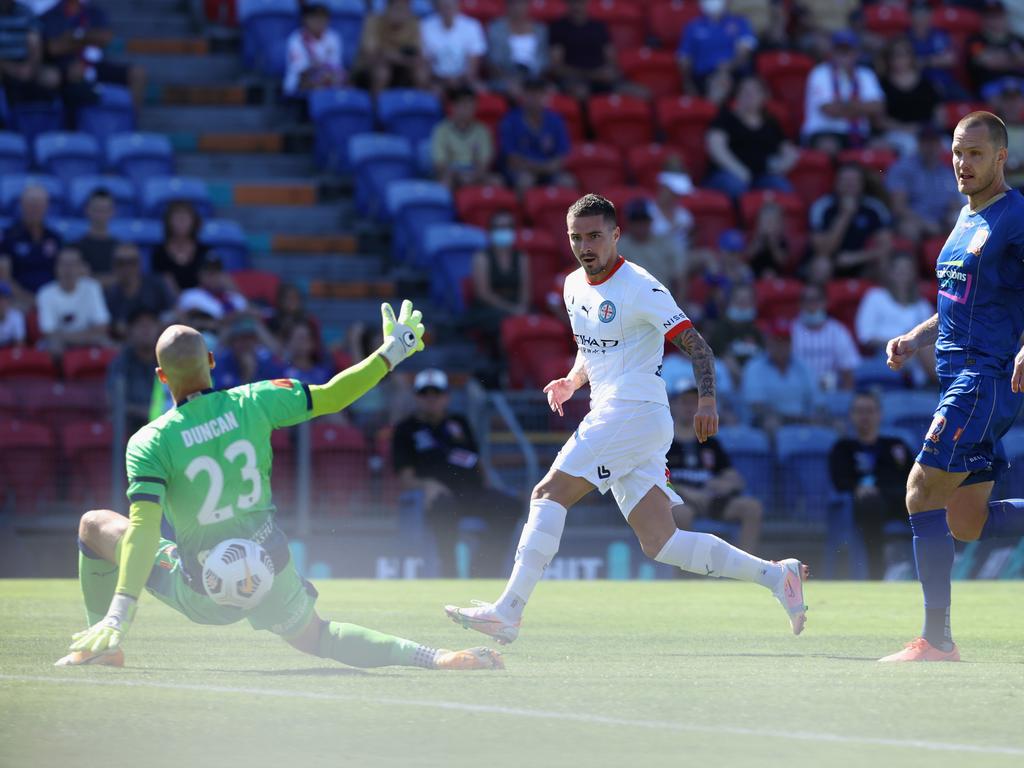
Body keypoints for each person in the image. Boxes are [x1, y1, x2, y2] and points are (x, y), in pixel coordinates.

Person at [55, 300, 503, 671]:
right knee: (321, 636)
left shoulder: (149, 442)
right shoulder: (257, 398)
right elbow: (333, 395)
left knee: (94, 525)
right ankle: (436, 657)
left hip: (203, 590)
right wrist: (390, 353)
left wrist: (120, 611)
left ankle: (105, 643)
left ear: (162, 376)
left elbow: (143, 530)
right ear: (212, 362)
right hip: (270, 569)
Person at [444, 194, 807, 645]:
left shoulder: (642, 287)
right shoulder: (572, 284)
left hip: (633, 410)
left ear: (616, 234)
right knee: (662, 542)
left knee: (549, 492)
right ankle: (779, 577)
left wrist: (707, 402)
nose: (585, 246)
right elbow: (592, 347)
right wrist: (572, 382)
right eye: (576, 237)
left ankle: (509, 611)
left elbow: (699, 347)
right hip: (620, 413)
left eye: (594, 235)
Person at [880, 111, 1024, 662]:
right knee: (967, 522)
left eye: (975, 154)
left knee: (920, 490)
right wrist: (915, 338)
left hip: (983, 379)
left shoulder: (1014, 216)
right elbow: (957, 303)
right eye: (958, 153)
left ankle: (936, 641)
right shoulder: (967, 218)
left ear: (1000, 158)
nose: (962, 164)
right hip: (958, 379)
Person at [392, 368, 520, 578]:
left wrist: (488, 485)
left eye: (437, 394)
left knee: (510, 506)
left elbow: (477, 461)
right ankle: (448, 571)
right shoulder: (405, 430)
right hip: (441, 496)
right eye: (425, 394)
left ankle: (485, 571)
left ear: (446, 397)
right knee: (443, 509)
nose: (431, 399)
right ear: (417, 397)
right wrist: (427, 485)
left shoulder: (459, 423)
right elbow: (405, 477)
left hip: (473, 493)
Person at [667, 373, 763, 553]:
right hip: (680, 501)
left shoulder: (711, 442)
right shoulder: (664, 441)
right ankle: (686, 573)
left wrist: (724, 485)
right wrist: (683, 491)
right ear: (673, 405)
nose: (689, 407)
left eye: (694, 402)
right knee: (682, 514)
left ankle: (743, 568)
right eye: (684, 402)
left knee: (752, 508)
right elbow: (654, 481)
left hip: (711, 500)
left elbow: (734, 478)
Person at [829, 392, 913, 580]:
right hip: (867, 505)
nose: (865, 416)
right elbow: (839, 480)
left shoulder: (895, 445)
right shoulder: (843, 448)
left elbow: (914, 475)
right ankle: (877, 571)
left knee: (930, 505)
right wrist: (857, 488)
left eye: (869, 411)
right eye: (859, 411)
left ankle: (943, 566)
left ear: (879, 415)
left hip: (900, 501)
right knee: (870, 503)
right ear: (851, 416)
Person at [705, 75, 797, 200]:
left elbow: (789, 151)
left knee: (784, 189)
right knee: (736, 187)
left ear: (763, 96)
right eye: (745, 91)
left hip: (762, 176)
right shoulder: (726, 118)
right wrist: (739, 171)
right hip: (729, 173)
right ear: (737, 95)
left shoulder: (770, 123)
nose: (750, 95)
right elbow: (716, 147)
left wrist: (779, 167)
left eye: (755, 91)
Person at [41, 0, 145, 110]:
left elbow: (105, 38)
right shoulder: (52, 14)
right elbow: (54, 48)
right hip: (65, 65)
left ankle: (131, 122)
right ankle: (73, 124)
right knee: (74, 73)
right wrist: (89, 39)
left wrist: (74, 37)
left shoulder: (93, 11)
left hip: (96, 65)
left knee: (137, 73)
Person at [466, 208, 529, 369]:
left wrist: (521, 307)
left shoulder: (521, 257)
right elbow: (483, 293)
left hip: (516, 306)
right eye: (500, 227)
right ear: (491, 231)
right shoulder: (482, 257)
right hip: (489, 309)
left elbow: (526, 290)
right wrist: (512, 309)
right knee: (501, 323)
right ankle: (501, 369)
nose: (504, 231)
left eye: (508, 227)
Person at [808, 162, 893, 281]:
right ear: (836, 183)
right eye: (844, 180)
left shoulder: (874, 208)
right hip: (832, 261)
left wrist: (855, 258)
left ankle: (883, 299)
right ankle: (818, 298)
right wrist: (845, 215)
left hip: (862, 262)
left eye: (853, 180)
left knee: (885, 264)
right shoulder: (822, 207)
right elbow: (822, 250)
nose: (849, 184)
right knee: (821, 265)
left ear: (862, 184)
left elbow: (886, 247)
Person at [801, 31, 884, 153]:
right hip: (824, 131)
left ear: (857, 53)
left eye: (848, 50)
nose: (844, 55)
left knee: (884, 148)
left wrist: (844, 105)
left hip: (859, 134)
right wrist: (862, 107)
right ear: (832, 52)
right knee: (829, 146)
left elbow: (878, 107)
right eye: (840, 50)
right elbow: (830, 110)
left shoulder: (866, 74)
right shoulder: (820, 73)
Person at [886, 126, 965, 242]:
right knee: (909, 228)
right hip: (914, 220)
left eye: (934, 142)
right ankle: (908, 260)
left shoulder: (946, 171)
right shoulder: (903, 168)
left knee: (963, 224)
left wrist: (951, 217)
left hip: (941, 221)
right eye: (926, 142)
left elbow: (954, 203)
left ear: (939, 144)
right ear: (919, 144)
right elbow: (898, 207)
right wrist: (924, 223)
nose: (930, 147)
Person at [741, 320, 820, 433]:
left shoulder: (803, 368)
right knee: (771, 423)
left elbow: (815, 400)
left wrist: (811, 416)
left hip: (802, 420)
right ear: (768, 342)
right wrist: (788, 418)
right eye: (777, 340)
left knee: (828, 425)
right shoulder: (754, 367)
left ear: (791, 343)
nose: (781, 345)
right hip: (767, 422)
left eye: (785, 341)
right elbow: (756, 406)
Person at [498, 75, 572, 193]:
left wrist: (550, 167)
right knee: (525, 181)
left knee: (567, 181)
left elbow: (562, 156)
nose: (535, 98)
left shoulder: (555, 120)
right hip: (522, 171)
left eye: (539, 93)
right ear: (524, 95)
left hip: (549, 171)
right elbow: (511, 159)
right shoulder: (510, 120)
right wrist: (541, 167)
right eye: (531, 93)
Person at [677, 0, 757, 101]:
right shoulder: (692, 26)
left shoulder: (740, 22)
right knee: (719, 85)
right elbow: (684, 58)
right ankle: (715, 112)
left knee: (750, 86)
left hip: (735, 72)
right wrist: (687, 83)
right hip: (704, 76)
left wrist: (728, 66)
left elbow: (745, 52)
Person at [36, 246, 111, 354]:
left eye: (73, 264)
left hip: (86, 341)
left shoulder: (92, 287)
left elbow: (102, 327)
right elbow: (49, 332)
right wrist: (87, 336)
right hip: (63, 344)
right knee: (53, 346)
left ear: (81, 267)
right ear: (56, 268)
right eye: (64, 264)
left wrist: (67, 337)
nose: (68, 269)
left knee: (108, 344)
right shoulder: (45, 293)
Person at [878, 38, 942, 158]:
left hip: (925, 132)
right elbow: (879, 120)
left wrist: (926, 129)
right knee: (910, 145)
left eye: (903, 55)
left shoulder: (926, 83)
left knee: (947, 144)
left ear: (911, 57)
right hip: (895, 132)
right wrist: (904, 128)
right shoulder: (882, 84)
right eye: (894, 56)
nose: (899, 60)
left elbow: (939, 115)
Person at [790, 283, 860, 392]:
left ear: (825, 302)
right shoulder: (790, 331)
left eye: (815, 300)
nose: (811, 305)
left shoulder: (838, 331)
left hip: (831, 395)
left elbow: (848, 373)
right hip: (797, 394)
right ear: (800, 304)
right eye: (806, 300)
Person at [0, 184, 62, 305]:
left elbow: (62, 272)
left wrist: (49, 299)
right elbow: (3, 275)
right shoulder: (8, 237)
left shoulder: (55, 238)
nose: (34, 209)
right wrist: (27, 299)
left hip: (51, 299)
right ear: (21, 206)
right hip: (16, 299)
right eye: (30, 205)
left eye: (39, 205)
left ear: (47, 207)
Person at [429, 85, 499, 190]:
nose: (466, 108)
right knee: (445, 182)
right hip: (452, 174)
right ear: (453, 106)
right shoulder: (441, 130)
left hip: (475, 174)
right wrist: (458, 175)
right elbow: (440, 165)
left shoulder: (482, 131)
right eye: (461, 104)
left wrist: (473, 176)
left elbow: (484, 163)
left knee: (497, 182)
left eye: (470, 103)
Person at [106, 307, 162, 436]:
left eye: (150, 325)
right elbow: (113, 401)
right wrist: (144, 411)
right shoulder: (121, 363)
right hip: (130, 428)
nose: (146, 330)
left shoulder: (166, 361)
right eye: (141, 325)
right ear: (130, 331)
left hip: (164, 427)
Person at [352, 0, 428, 95]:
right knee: (382, 72)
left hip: (403, 68)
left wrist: (402, 59)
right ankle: (377, 107)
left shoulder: (413, 23)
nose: (401, 13)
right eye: (397, 9)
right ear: (387, 9)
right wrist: (402, 59)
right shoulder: (373, 21)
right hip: (371, 69)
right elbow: (371, 55)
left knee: (421, 72)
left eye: (405, 9)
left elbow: (417, 54)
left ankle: (419, 106)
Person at [617, 198, 688, 298]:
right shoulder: (619, 246)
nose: (640, 225)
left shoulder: (666, 243)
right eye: (636, 221)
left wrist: (679, 308)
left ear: (651, 221)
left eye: (644, 220)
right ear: (628, 223)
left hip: (663, 300)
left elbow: (679, 279)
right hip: (631, 302)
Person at [104, 242, 173, 341]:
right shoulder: (109, 294)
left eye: (132, 262)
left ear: (140, 264)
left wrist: (153, 327)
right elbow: (110, 327)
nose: (127, 268)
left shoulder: (157, 285)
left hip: (159, 340)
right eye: (121, 263)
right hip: (124, 346)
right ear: (113, 266)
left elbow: (174, 312)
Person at [548, 0, 616, 99]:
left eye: (580, 2)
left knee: (637, 93)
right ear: (567, 4)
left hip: (601, 78)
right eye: (573, 2)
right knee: (581, 92)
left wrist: (609, 72)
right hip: (572, 79)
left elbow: (611, 58)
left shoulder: (599, 26)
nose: (577, 6)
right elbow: (557, 67)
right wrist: (590, 75)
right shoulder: (558, 28)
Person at [0, 0, 60, 106]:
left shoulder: (25, 12)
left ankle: (45, 116)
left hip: (24, 64)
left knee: (52, 77)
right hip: (3, 65)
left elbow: (35, 45)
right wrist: (9, 68)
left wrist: (30, 67)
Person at [419, 0, 486, 93]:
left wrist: (459, 79)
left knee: (480, 91)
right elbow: (426, 60)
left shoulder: (472, 26)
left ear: (457, 6)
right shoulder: (425, 26)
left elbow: (473, 63)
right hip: (437, 79)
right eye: (443, 6)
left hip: (464, 79)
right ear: (437, 8)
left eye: (450, 6)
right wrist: (442, 79)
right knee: (432, 91)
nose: (447, 10)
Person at [707, 282, 763, 389]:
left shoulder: (756, 329)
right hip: (729, 383)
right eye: (739, 300)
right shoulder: (721, 328)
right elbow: (725, 358)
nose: (743, 304)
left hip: (755, 383)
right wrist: (746, 380)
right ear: (731, 302)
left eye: (747, 301)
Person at [283, 2, 345, 98]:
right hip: (300, 84)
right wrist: (319, 71)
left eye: (322, 18)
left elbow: (335, 67)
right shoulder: (296, 39)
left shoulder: (333, 37)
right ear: (306, 20)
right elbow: (301, 71)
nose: (319, 22)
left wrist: (326, 75)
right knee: (314, 82)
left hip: (327, 81)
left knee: (341, 80)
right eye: (314, 18)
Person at [175, 253, 247, 333]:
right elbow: (185, 320)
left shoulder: (235, 298)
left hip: (237, 339)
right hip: (204, 338)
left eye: (217, 273)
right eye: (209, 273)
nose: (214, 277)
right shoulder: (190, 295)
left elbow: (252, 316)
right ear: (200, 274)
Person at [486, 0, 548, 91]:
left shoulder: (540, 29)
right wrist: (509, 80)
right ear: (507, 6)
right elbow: (493, 60)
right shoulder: (496, 28)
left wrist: (535, 80)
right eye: (514, 3)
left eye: (522, 3)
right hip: (505, 79)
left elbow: (544, 60)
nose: (517, 8)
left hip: (534, 79)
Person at [151, 200, 208, 297]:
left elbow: (211, 281)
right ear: (168, 222)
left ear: (194, 221)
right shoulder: (159, 253)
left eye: (185, 218)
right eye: (177, 218)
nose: (181, 222)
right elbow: (160, 286)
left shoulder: (204, 251)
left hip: (202, 302)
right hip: (170, 304)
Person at [965, 2, 1024, 94]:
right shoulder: (976, 40)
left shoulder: (1017, 40)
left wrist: (998, 57)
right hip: (992, 85)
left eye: (999, 16)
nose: (996, 20)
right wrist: (1013, 59)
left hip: (1019, 83)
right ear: (983, 19)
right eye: (991, 17)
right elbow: (986, 61)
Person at [213, 315, 283, 390]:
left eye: (250, 339)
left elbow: (277, 388)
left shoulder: (264, 361)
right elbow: (224, 396)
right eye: (241, 339)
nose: (246, 343)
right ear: (232, 341)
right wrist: (248, 375)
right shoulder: (222, 362)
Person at [74, 188, 119, 282]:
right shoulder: (75, 247)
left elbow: (122, 279)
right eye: (97, 210)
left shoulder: (120, 248)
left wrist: (91, 277)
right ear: (87, 210)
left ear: (113, 212)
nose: (100, 215)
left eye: (104, 210)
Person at [743, 200, 795, 278]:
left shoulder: (782, 241)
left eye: (772, 222)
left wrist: (773, 243)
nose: (768, 226)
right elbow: (748, 257)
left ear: (780, 225)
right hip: (754, 275)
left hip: (777, 277)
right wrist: (758, 240)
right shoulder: (753, 238)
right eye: (765, 222)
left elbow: (782, 261)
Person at [280, 319, 331, 386]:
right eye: (299, 338)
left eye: (306, 338)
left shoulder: (324, 373)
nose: (303, 342)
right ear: (288, 342)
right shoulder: (280, 373)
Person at [0, 280, 26, 346]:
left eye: (4, 298)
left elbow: (20, 343)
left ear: (9, 300)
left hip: (9, 352)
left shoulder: (16, 315)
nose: (1, 302)